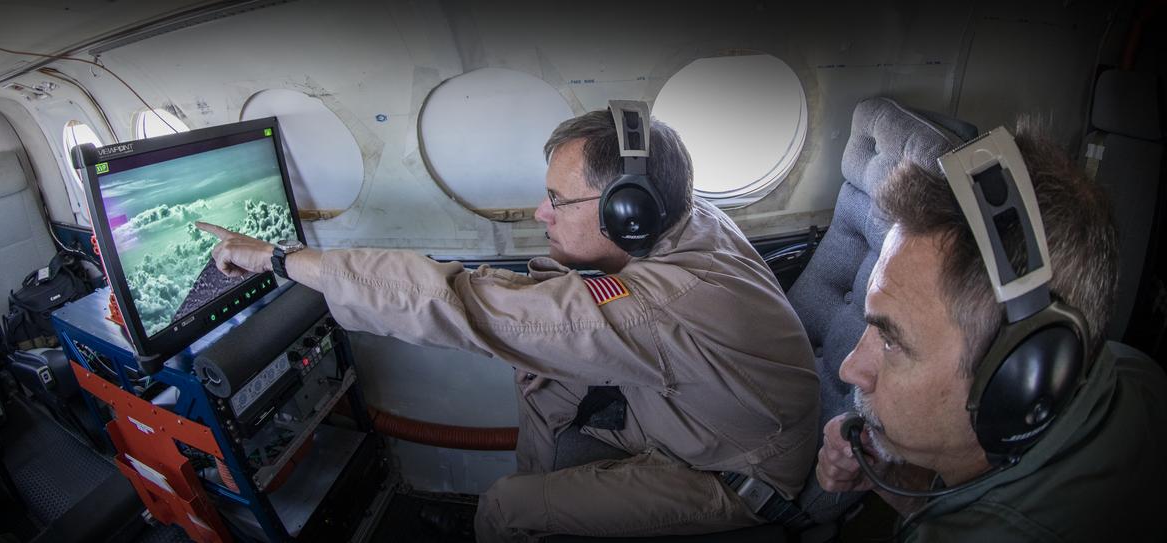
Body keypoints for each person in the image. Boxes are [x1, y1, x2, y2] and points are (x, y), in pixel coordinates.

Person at [198, 107, 819, 541]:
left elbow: (454, 303)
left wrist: (279, 259)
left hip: (733, 473)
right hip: (693, 420)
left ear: (627, 213)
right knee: (542, 384)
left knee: (502, 505)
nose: (539, 211)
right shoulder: (686, 217)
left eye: (559, 199)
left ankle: (510, 523)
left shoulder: (663, 306)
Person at [814, 119, 1167, 541]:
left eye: (892, 341)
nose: (850, 368)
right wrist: (890, 477)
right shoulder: (1133, 370)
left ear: (1016, 380)